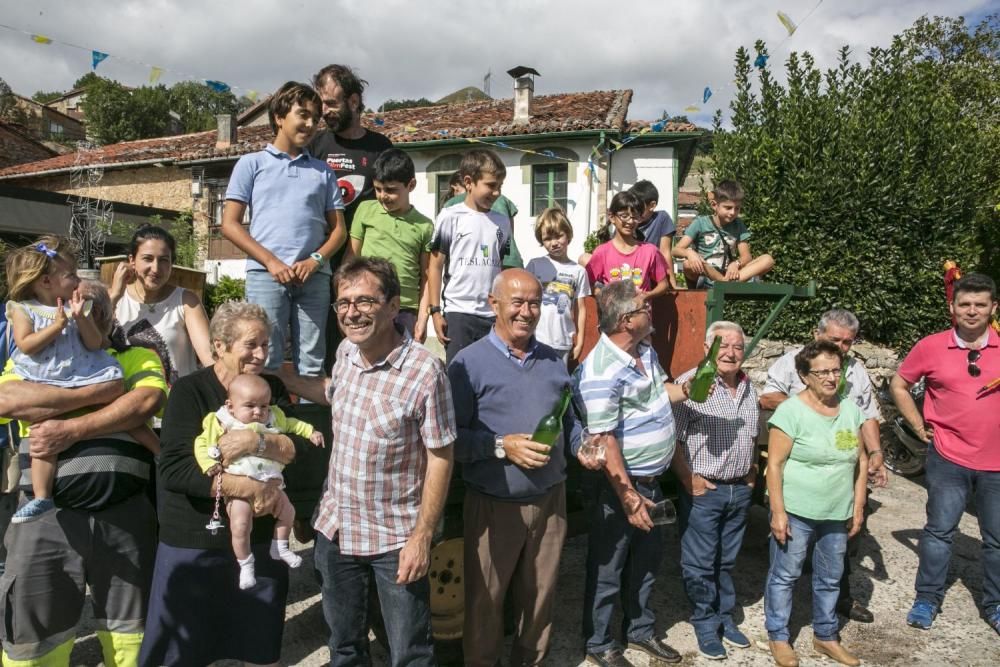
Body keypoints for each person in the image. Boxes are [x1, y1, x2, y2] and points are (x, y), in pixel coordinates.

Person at [278, 256, 455, 666]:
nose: (352, 312)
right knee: (344, 646)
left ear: (393, 307)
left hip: (394, 538)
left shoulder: (425, 373)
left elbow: (441, 457)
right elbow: (333, 392)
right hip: (336, 529)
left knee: (409, 652)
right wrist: (281, 379)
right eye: (343, 303)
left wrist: (423, 537)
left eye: (364, 301)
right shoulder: (346, 353)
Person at [0, 279, 167, 666]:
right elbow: (7, 399)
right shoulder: (29, 362)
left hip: (125, 517)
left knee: (131, 632)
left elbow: (146, 401)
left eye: (94, 314)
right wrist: (101, 392)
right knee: (34, 633)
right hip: (46, 520)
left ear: (109, 319)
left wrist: (68, 426)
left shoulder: (137, 357)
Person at [140, 301, 310, 666]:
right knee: (181, 653)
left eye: (265, 344)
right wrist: (248, 488)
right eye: (251, 345)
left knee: (256, 647)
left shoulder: (271, 388)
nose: (261, 354)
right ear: (219, 345)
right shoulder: (189, 392)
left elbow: (296, 450)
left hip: (260, 541)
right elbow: (175, 470)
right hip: (194, 544)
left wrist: (256, 442)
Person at [448, 268, 581, 667]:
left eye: (534, 303)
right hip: (493, 504)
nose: (526, 312)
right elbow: (449, 440)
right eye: (517, 302)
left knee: (540, 599)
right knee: (485, 603)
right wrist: (501, 446)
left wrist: (583, 446)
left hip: (550, 502)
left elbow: (570, 424)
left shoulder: (554, 362)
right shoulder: (466, 364)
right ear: (494, 305)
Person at [572, 279, 690, 667]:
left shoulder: (644, 350)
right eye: (644, 307)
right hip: (622, 486)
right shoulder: (601, 370)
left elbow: (659, 395)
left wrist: (687, 390)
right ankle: (600, 642)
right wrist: (628, 497)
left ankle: (639, 631)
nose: (650, 310)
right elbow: (603, 440)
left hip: (651, 482)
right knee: (610, 565)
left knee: (646, 562)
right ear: (626, 320)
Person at [759, 309, 886, 623]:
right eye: (835, 340)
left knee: (845, 541)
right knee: (791, 550)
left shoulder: (855, 370)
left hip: (843, 469)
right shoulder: (793, 363)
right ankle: (782, 619)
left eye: (848, 342)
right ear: (817, 335)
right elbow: (767, 397)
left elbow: (866, 414)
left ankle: (839, 600)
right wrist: (809, 403)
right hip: (805, 459)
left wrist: (876, 452)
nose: (842, 347)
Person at [891, 273, 1000, 635]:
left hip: (997, 465)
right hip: (948, 458)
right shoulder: (931, 346)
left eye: (980, 305)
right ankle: (927, 598)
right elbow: (900, 384)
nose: (972, 311)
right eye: (965, 304)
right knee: (939, 533)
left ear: (993, 308)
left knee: (997, 540)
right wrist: (918, 423)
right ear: (952, 307)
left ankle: (995, 605)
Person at [4, 236, 134, 524]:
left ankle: (157, 451)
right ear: (46, 281)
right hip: (46, 377)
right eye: (71, 274)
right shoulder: (23, 308)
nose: (77, 279)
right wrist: (57, 327)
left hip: (82, 372)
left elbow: (95, 344)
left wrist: (81, 318)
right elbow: (25, 344)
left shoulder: (78, 305)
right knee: (44, 435)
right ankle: (41, 496)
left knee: (120, 405)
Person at [222, 81, 347, 376]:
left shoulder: (322, 171)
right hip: (266, 276)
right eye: (302, 114)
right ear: (279, 116)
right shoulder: (251, 164)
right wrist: (271, 262)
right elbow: (230, 224)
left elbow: (339, 231)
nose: (310, 123)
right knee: (264, 354)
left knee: (313, 359)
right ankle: (266, 418)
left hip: (313, 278)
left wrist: (315, 261)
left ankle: (310, 419)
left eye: (315, 118)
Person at [765, 340, 868, 667]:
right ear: (804, 376)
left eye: (835, 370)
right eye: (821, 371)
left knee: (831, 576)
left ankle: (826, 635)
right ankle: (779, 636)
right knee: (785, 575)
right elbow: (775, 466)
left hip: (836, 512)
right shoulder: (790, 412)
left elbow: (860, 461)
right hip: (797, 511)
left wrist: (859, 506)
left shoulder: (850, 410)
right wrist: (778, 513)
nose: (830, 377)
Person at [671, 321, 759, 660]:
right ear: (709, 348)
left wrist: (751, 473)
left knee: (727, 561)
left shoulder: (750, 386)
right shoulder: (691, 384)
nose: (731, 352)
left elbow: (751, 435)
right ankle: (705, 623)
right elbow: (674, 440)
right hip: (705, 489)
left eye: (738, 346)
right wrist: (688, 479)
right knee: (700, 563)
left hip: (739, 490)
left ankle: (725, 617)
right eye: (723, 345)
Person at [193, 373, 324, 589]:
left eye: (264, 406)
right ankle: (245, 563)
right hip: (239, 486)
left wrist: (311, 431)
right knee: (240, 524)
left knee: (288, 513)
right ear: (231, 406)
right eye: (250, 406)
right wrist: (209, 464)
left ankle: (280, 546)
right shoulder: (221, 421)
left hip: (272, 482)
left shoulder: (274, 416)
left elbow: (293, 425)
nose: (259, 412)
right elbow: (201, 443)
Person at [427, 148, 512, 364]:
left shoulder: (502, 222)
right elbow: (435, 266)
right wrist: (436, 312)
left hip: (492, 315)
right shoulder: (449, 217)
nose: (496, 193)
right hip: (459, 313)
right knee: (459, 378)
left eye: (500, 186)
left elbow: (499, 268)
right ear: (468, 182)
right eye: (491, 185)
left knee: (491, 376)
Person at [111, 224, 214, 384]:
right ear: (132, 260)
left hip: (174, 401)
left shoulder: (186, 301)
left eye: (164, 260)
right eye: (147, 258)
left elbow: (209, 357)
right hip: (123, 397)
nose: (156, 268)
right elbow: (91, 344)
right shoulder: (113, 299)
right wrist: (115, 296)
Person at [349, 148, 434, 341]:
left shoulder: (424, 226)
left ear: (411, 185)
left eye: (391, 190)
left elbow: (427, 276)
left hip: (405, 308)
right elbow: (351, 259)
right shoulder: (365, 210)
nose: (383, 196)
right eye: (378, 189)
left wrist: (422, 317)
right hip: (366, 302)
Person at [309, 64, 394, 227]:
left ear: (354, 102)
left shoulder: (382, 147)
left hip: (366, 249)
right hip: (320, 249)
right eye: (322, 104)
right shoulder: (312, 144)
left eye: (331, 103)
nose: (324, 111)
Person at [672, 180, 774, 287]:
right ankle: (724, 284)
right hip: (706, 274)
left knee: (768, 260)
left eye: (737, 208)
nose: (733, 213)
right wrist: (690, 253)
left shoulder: (738, 224)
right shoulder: (700, 223)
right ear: (714, 205)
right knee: (687, 264)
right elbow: (675, 250)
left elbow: (746, 257)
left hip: (730, 275)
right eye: (728, 208)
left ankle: (725, 283)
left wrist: (735, 264)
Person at [579, 180, 677, 289]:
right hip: (621, 272)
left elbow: (665, 252)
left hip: (648, 271)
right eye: (625, 215)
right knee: (585, 258)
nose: (631, 220)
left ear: (652, 205)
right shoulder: (625, 225)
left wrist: (672, 285)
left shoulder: (660, 219)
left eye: (638, 207)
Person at [525, 207, 591, 363]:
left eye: (558, 236)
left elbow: (581, 309)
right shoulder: (535, 265)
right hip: (536, 340)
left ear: (568, 235)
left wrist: (580, 341)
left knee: (559, 386)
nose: (554, 243)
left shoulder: (579, 271)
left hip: (563, 341)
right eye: (547, 238)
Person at [443, 168, 523, 269]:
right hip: (512, 261)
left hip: (478, 265)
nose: (454, 194)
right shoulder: (503, 200)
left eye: (455, 190)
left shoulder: (452, 204)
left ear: (467, 183)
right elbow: (510, 234)